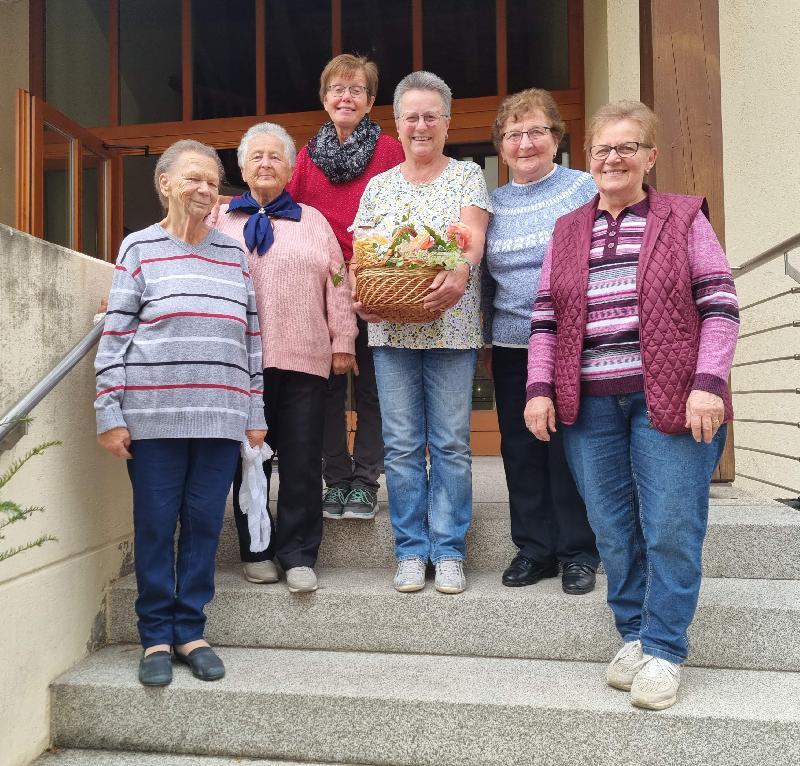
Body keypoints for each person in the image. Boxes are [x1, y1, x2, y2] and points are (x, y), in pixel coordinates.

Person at [524, 101, 739, 710]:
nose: (613, 158)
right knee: (612, 530)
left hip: (668, 398)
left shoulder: (682, 216)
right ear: (586, 159)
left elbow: (720, 306)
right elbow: (545, 319)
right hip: (589, 405)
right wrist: (539, 387)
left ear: (650, 157)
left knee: (671, 526)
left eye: (627, 147)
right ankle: (633, 634)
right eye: (602, 149)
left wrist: (709, 382)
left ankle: (666, 650)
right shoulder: (568, 229)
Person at [94, 140, 267, 686]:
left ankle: (192, 630)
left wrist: (254, 408)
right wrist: (109, 411)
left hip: (220, 416)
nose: (204, 188)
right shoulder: (140, 248)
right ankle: (154, 638)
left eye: (213, 181)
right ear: (164, 183)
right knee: (154, 525)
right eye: (193, 177)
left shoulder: (233, 254)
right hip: (152, 417)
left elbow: (252, 340)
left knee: (202, 523)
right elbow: (116, 336)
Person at [352, 71, 491, 595]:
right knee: (403, 446)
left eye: (431, 115)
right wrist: (360, 294)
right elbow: (363, 257)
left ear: (447, 124)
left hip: (452, 329)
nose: (421, 125)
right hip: (391, 333)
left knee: (451, 444)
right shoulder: (379, 186)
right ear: (396, 122)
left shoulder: (466, 175)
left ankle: (449, 549)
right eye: (411, 116)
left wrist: (458, 274)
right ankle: (411, 550)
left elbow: (471, 238)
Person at [209, 122, 357, 594]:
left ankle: (298, 554)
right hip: (238, 362)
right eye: (257, 156)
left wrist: (344, 341)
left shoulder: (312, 221)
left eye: (276, 157)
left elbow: (338, 281)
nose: (266, 164)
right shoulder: (218, 218)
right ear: (242, 166)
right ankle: (256, 551)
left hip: (305, 359)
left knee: (299, 459)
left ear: (291, 169)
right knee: (249, 460)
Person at [482, 88, 599, 595]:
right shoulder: (491, 203)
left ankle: (578, 551)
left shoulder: (584, 189)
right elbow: (483, 278)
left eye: (536, 132)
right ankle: (533, 548)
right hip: (512, 346)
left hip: (574, 345)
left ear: (556, 138)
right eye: (513, 135)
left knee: (568, 447)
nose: (525, 143)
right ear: (501, 146)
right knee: (521, 448)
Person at [286, 54, 404, 521]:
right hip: (324, 285)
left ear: (371, 101)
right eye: (338, 88)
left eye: (357, 90)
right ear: (325, 97)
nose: (346, 97)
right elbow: (287, 211)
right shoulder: (305, 155)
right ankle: (335, 478)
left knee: (374, 385)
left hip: (375, 281)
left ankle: (365, 480)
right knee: (329, 387)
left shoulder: (390, 151)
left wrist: (368, 263)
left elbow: (401, 213)